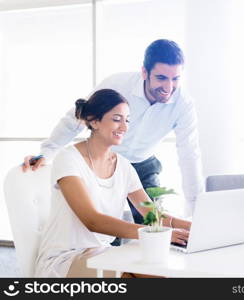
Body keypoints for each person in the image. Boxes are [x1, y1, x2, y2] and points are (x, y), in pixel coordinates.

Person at [23, 39, 203, 221]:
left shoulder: (183, 104)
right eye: (161, 78)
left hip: (144, 164)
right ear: (144, 72)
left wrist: (196, 210)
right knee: (107, 231)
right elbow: (77, 118)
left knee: (155, 227)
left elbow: (189, 154)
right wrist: (48, 151)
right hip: (104, 163)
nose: (168, 88)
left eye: (175, 79)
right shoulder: (118, 84)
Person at [34, 89, 191, 277]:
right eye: (117, 119)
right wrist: (157, 234)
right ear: (94, 120)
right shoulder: (68, 159)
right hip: (64, 259)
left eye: (127, 120)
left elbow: (152, 215)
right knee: (139, 275)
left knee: (163, 273)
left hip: (102, 253)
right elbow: (92, 220)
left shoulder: (123, 166)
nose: (124, 127)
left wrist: (195, 228)